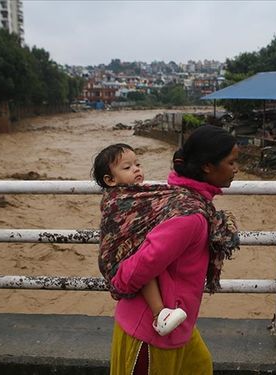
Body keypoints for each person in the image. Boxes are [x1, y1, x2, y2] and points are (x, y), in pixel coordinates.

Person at [100, 125, 240, 374]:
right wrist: (119, 285)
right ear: (208, 166)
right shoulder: (189, 216)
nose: (236, 169)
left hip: (178, 323)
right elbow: (134, 270)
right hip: (151, 333)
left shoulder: (183, 197)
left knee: (201, 367)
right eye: (231, 162)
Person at [93, 143, 187, 337]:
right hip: (121, 256)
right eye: (127, 168)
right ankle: (159, 314)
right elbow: (121, 227)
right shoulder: (118, 199)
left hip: (136, 251)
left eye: (137, 164)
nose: (136, 169)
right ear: (110, 180)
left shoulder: (143, 193)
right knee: (142, 267)